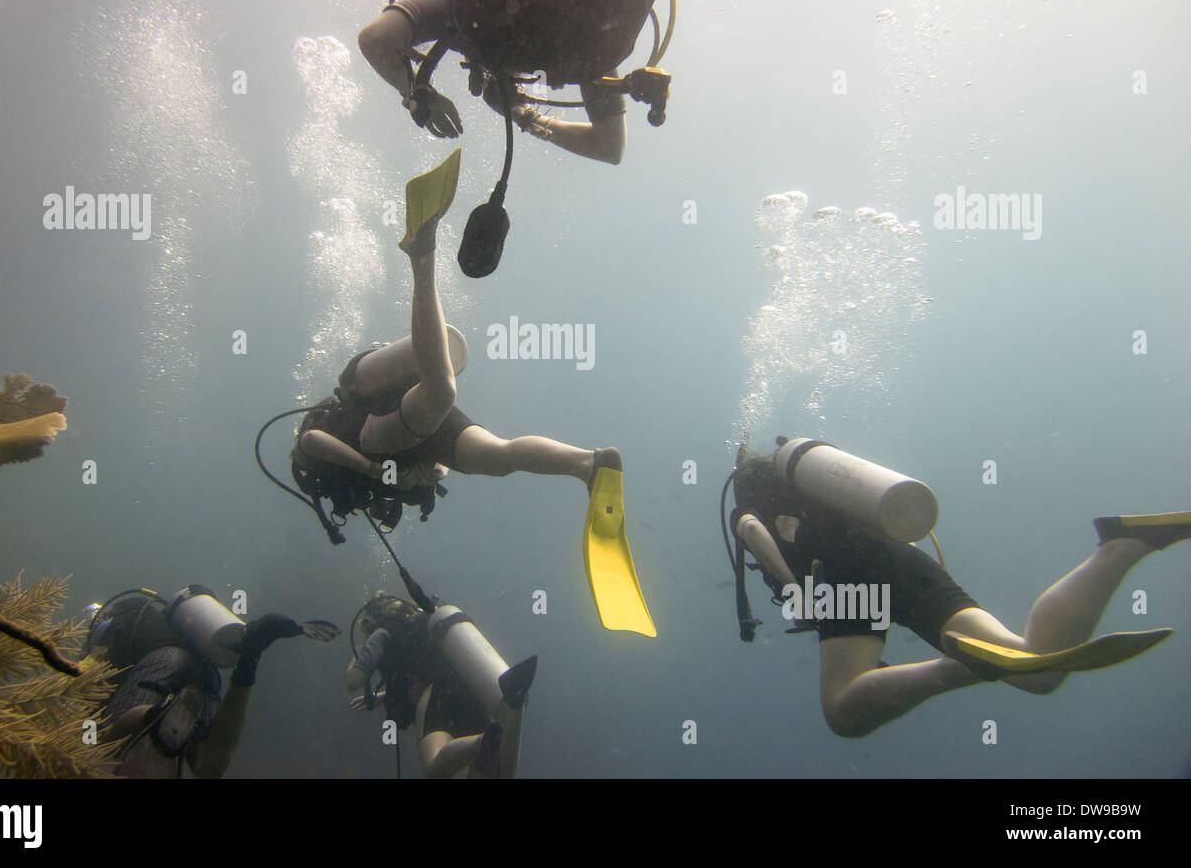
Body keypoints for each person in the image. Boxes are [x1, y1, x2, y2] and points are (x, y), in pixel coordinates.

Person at [290, 151, 654, 635]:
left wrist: (374, 470)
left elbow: (311, 443)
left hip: (370, 426)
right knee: (498, 457)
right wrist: (424, 474)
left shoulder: (319, 458)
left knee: (441, 389)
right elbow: (426, 469)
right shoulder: (368, 485)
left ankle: (421, 254)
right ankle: (588, 464)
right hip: (411, 432)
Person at [726, 439, 1189, 738]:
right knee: (1038, 670)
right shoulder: (822, 490)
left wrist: (794, 591)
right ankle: (1119, 549)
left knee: (844, 711)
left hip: (847, 577)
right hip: (901, 558)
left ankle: (959, 667)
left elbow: (754, 532)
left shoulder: (751, 502)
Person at [357, 0, 671, 166]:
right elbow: (375, 40)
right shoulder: (473, 19)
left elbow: (610, 147)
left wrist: (523, 115)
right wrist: (415, 95)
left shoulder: (473, 22)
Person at [84, 586, 336, 777]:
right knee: (209, 763)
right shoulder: (197, 644)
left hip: (163, 662)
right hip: (206, 676)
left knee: (109, 745)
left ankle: (152, 717)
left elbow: (85, 679)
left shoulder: (118, 620)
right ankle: (251, 657)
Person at [344, 593, 535, 778]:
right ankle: (514, 705)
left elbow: (354, 681)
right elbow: (414, 670)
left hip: (437, 700)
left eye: (364, 624)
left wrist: (361, 651)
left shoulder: (382, 633)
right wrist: (383, 697)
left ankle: (483, 741)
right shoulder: (422, 621)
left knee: (434, 768)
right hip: (466, 691)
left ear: (372, 620)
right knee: (499, 771)